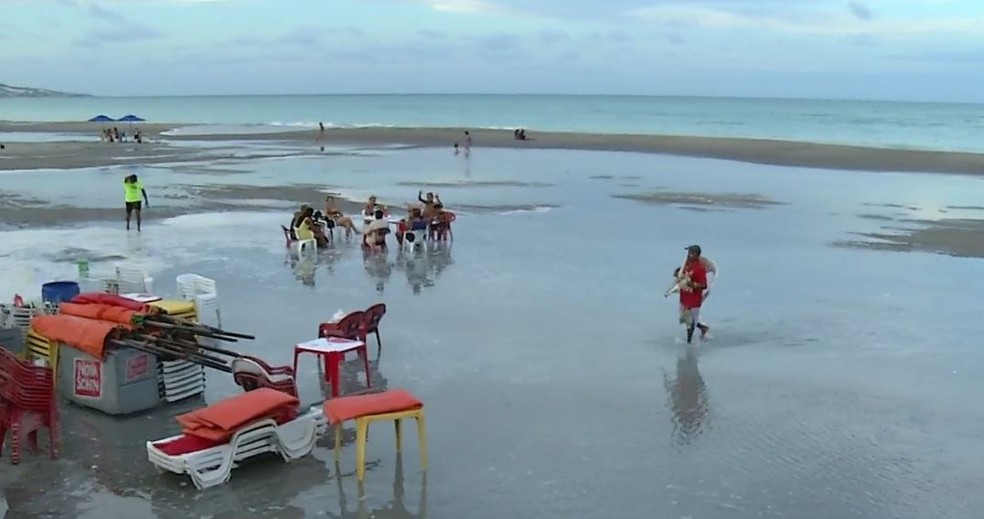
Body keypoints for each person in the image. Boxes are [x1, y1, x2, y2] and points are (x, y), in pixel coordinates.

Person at [677, 245, 710, 344]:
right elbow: (682, 273)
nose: (688, 255)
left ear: (697, 255)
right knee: (684, 318)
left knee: (690, 323)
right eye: (688, 253)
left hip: (693, 300)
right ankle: (703, 328)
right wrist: (678, 273)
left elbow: (704, 285)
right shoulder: (687, 263)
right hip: (684, 297)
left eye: (691, 253)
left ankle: (689, 343)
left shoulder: (700, 268)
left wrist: (693, 284)